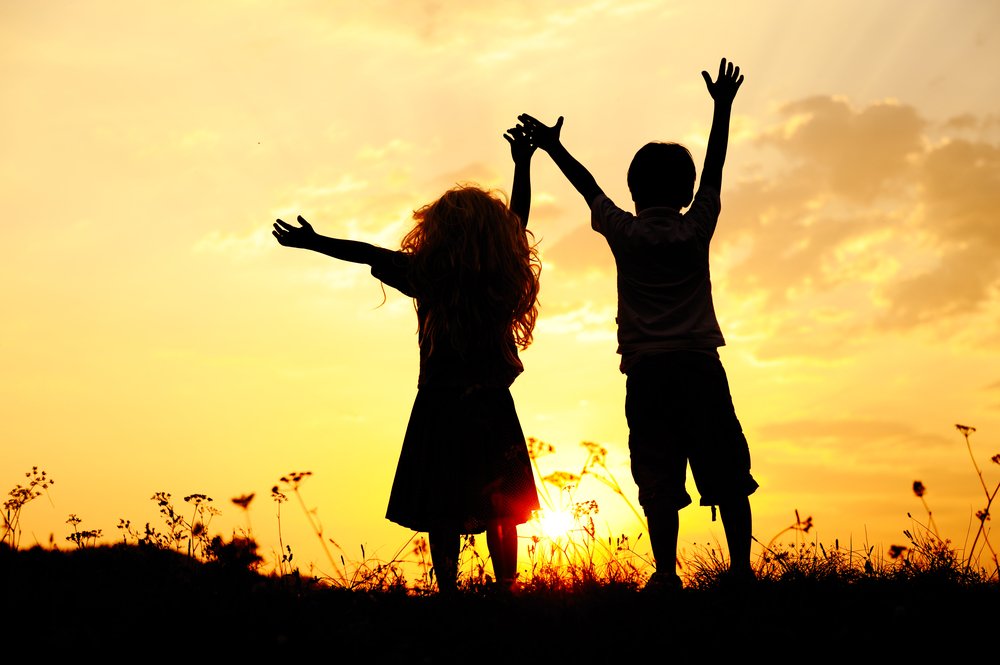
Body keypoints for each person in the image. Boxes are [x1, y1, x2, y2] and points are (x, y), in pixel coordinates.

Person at [519, 58, 757, 586]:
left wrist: (554, 147)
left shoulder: (624, 233)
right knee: (725, 472)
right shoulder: (697, 228)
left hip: (647, 374)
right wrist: (722, 109)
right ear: (687, 191)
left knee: (657, 473)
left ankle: (666, 574)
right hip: (699, 367)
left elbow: (586, 186)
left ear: (632, 191)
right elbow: (715, 168)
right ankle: (741, 570)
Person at [271, 127, 542, 592]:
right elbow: (518, 222)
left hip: (439, 405)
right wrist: (522, 162)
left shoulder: (427, 274)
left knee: (443, 507)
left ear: (438, 232)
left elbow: (366, 253)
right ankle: (507, 589)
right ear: (494, 235)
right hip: (492, 403)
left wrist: (316, 242)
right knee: (502, 507)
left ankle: (449, 592)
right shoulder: (501, 270)